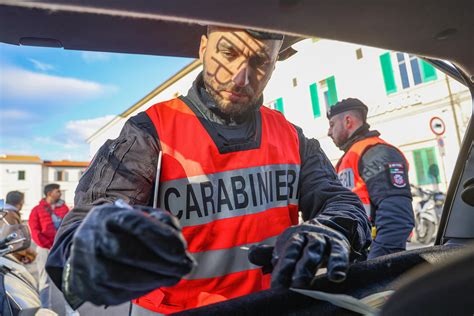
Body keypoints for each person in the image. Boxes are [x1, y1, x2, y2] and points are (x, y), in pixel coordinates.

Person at [46, 27, 371, 315]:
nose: (241, 77)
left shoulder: (292, 136)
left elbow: (341, 202)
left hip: (270, 305)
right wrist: (102, 246)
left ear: (275, 64)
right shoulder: (150, 131)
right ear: (204, 49)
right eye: (228, 52)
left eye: (260, 61)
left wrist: (332, 230)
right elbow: (87, 220)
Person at [327, 98, 415, 259]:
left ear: (348, 121)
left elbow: (397, 218)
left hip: (372, 257)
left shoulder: (377, 153)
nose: (328, 132)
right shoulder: (351, 156)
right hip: (357, 257)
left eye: (332, 124)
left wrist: (375, 266)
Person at [28, 183, 69, 310]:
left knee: (66, 279)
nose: (60, 193)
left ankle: (70, 310)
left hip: (62, 248)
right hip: (44, 248)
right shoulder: (36, 210)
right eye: (58, 191)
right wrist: (49, 245)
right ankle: (45, 309)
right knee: (44, 280)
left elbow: (69, 226)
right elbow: (34, 232)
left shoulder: (64, 208)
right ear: (50, 193)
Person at [2, 190, 37, 264]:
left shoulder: (5, 212)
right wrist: (28, 254)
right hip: (9, 256)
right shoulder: (10, 215)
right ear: (21, 202)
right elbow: (14, 239)